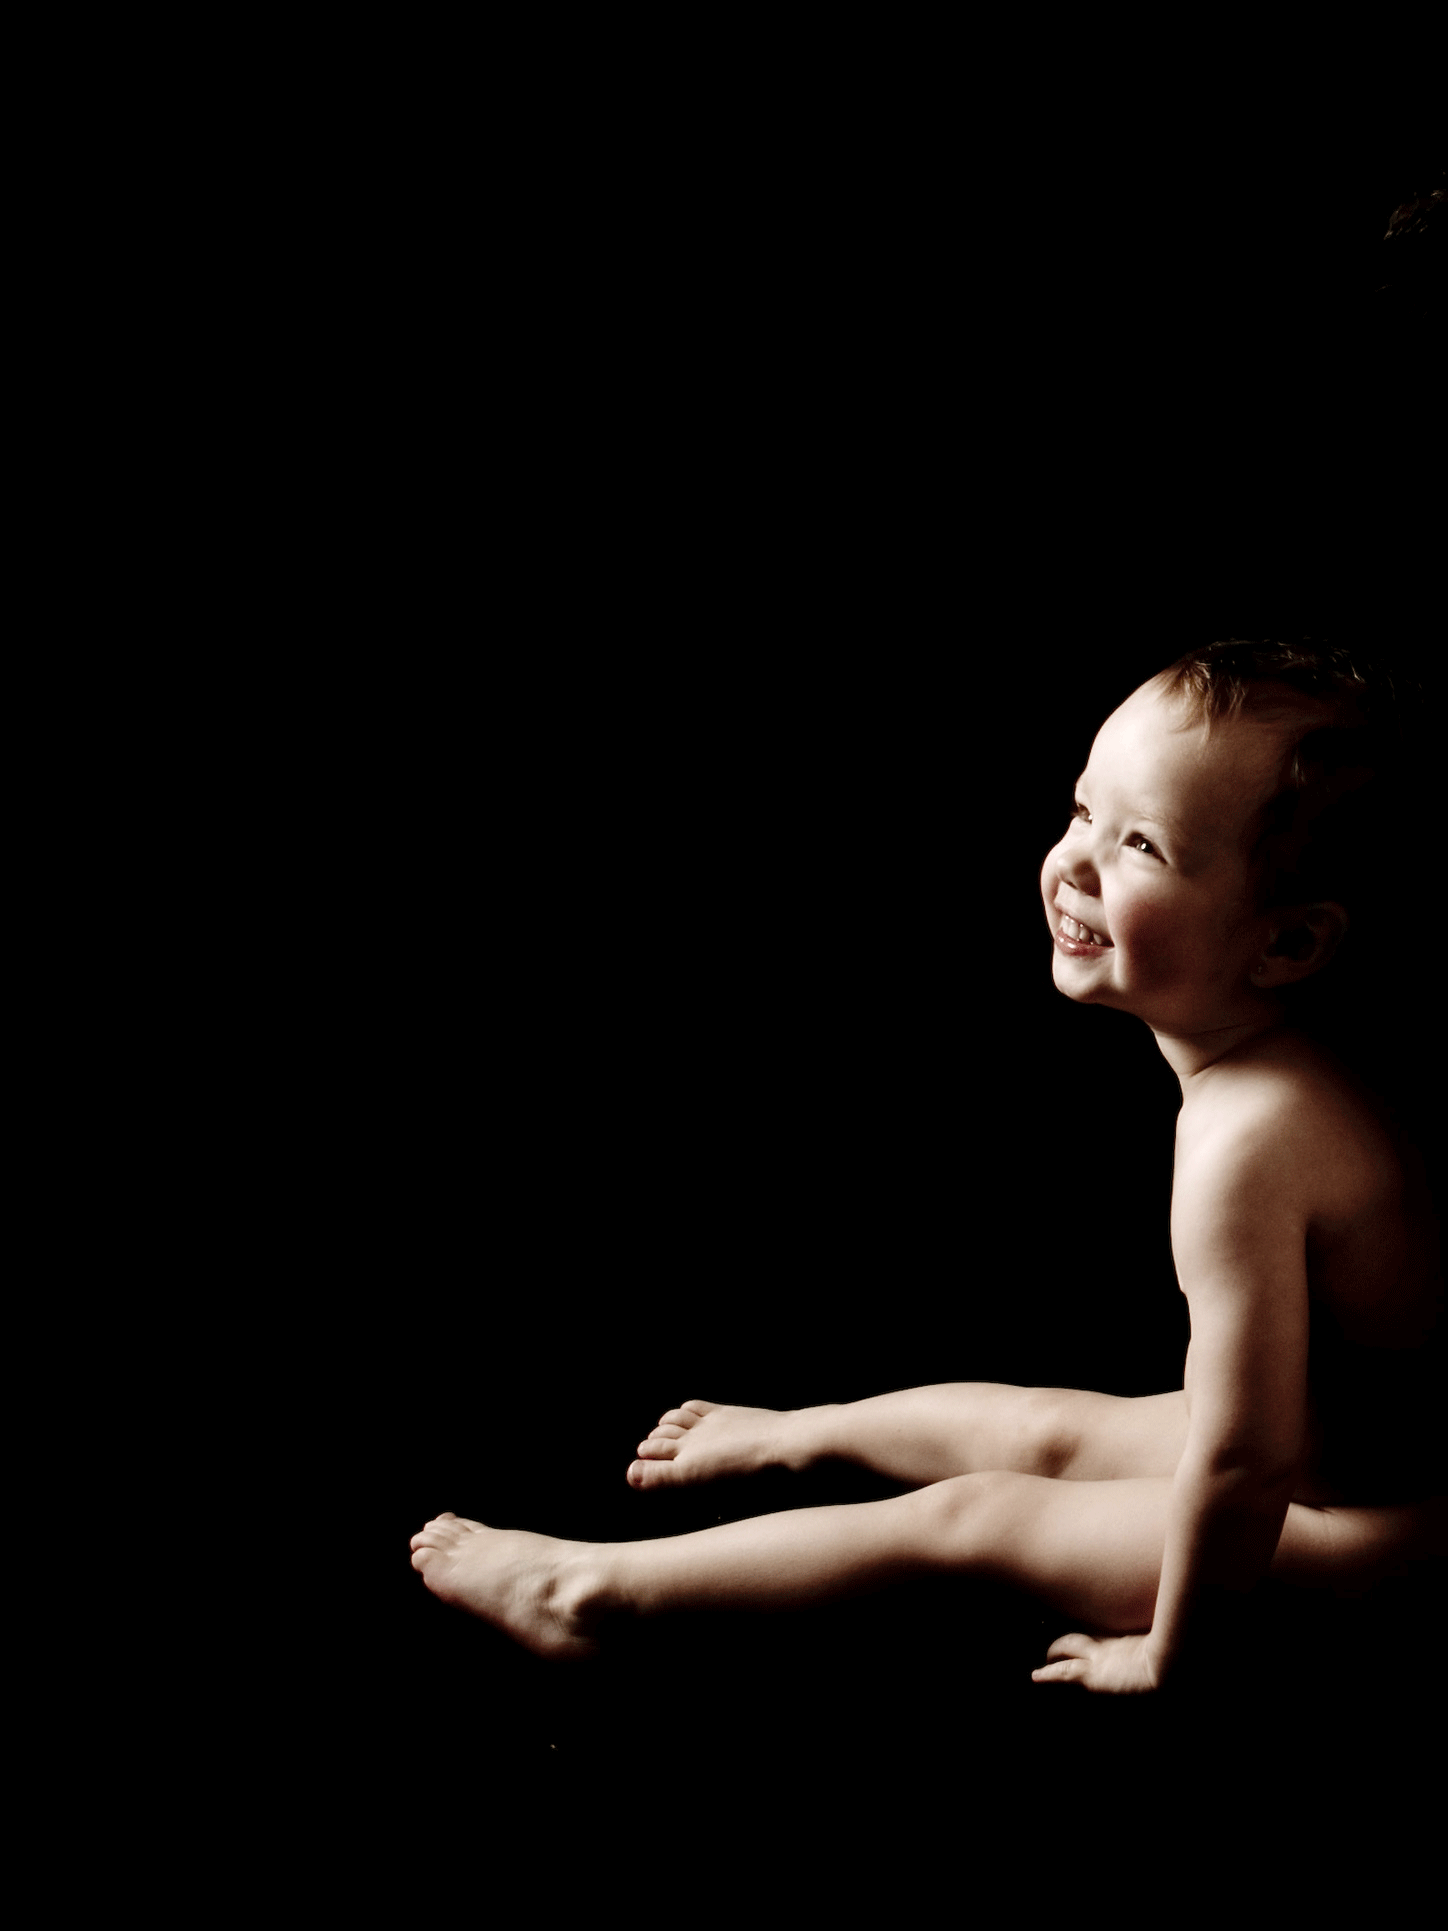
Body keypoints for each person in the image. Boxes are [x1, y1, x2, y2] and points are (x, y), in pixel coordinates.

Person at [409, 643, 1444, 1692]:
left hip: (1374, 1538)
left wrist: (1170, 1657)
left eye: (1142, 843)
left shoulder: (1250, 1137)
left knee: (979, 1514)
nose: (1073, 863)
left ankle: (584, 1597)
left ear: (1287, 944)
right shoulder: (1286, 1072)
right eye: (1083, 810)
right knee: (1049, 1427)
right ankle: (804, 1435)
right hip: (1336, 1451)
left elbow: (1243, 1466)